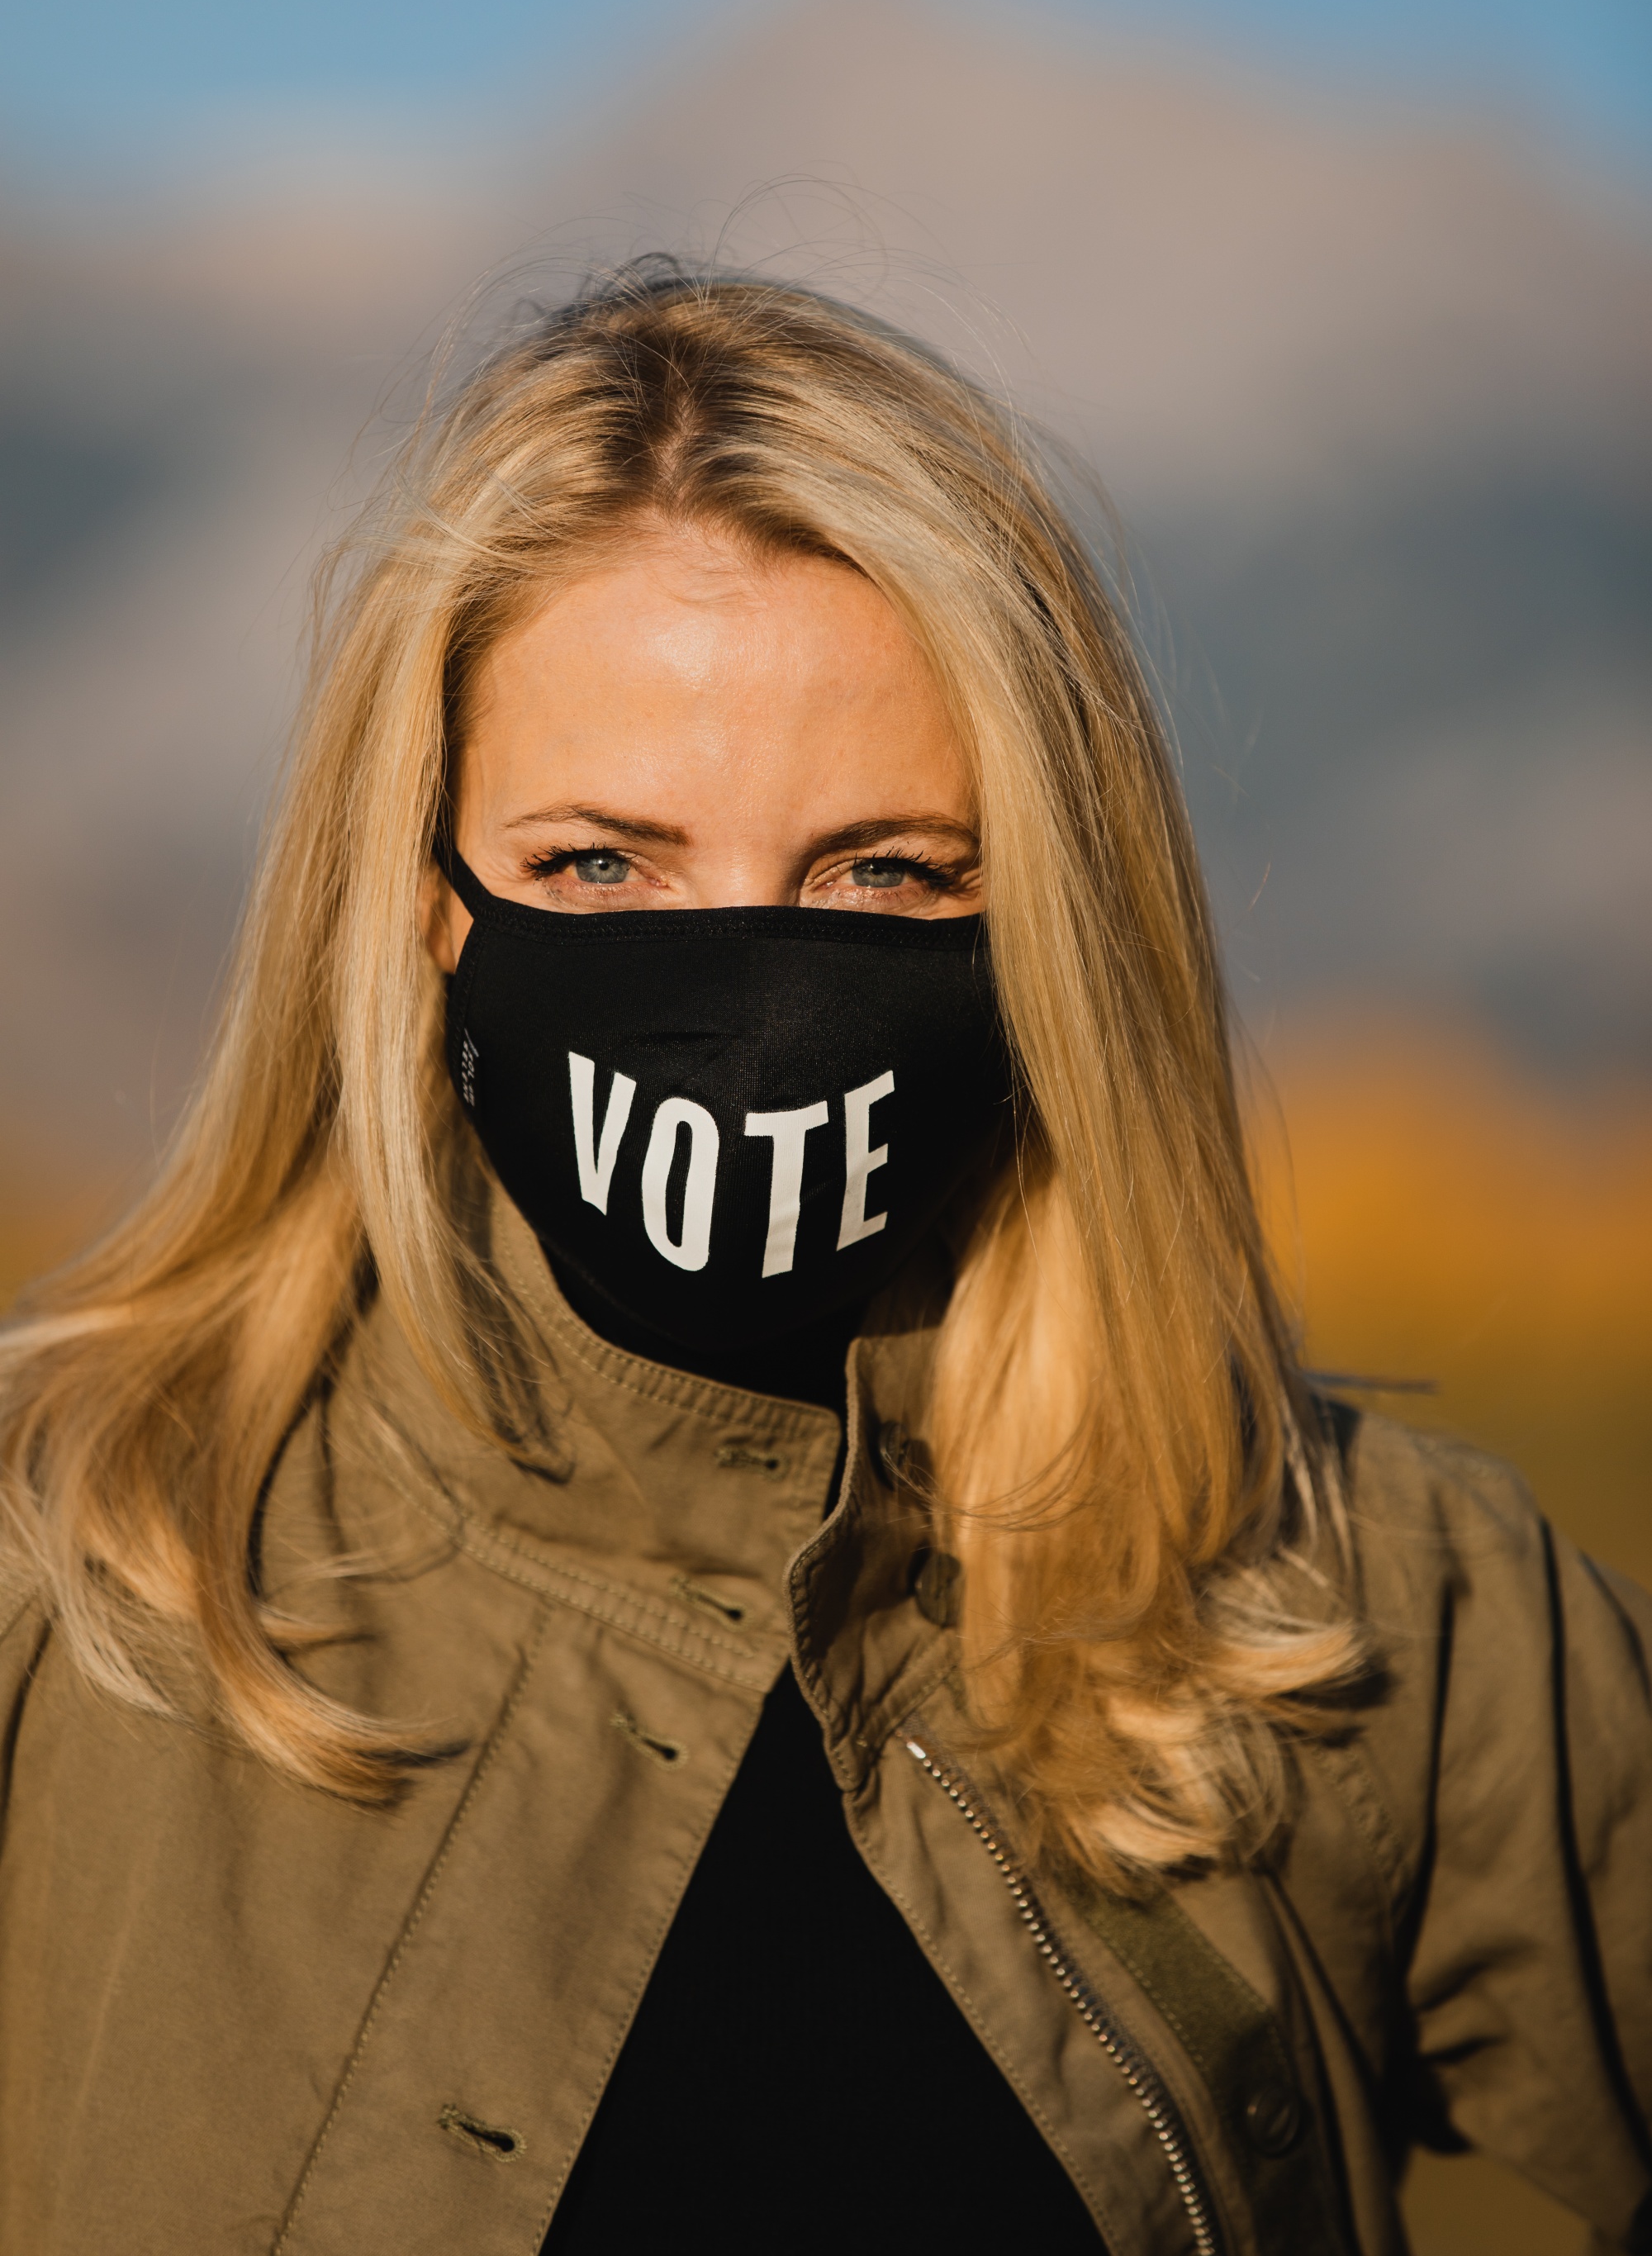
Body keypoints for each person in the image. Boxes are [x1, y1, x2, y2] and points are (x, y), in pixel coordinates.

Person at [0, 264, 1646, 2256]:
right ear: (420, 901)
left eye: (883, 874)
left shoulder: (1352, 1599)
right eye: (599, 866)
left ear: (1041, 920)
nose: (750, 992)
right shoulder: (73, 1563)